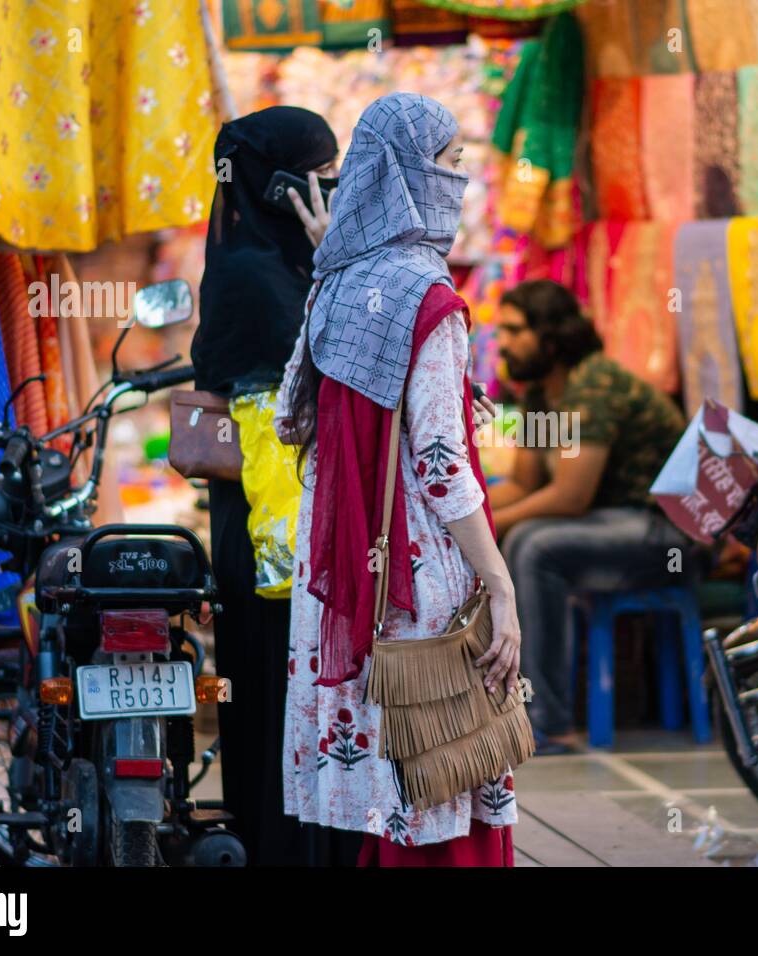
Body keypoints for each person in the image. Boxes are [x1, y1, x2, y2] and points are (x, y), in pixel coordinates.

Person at [277, 92, 521, 866]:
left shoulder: (334, 286)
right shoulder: (430, 298)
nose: (461, 181)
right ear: (410, 175)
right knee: (448, 786)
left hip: (348, 582)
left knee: (394, 801)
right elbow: (443, 465)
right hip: (423, 578)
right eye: (449, 164)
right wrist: (502, 586)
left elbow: (292, 420)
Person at [191, 106, 356, 865]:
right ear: (279, 183)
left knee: (286, 694)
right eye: (319, 175)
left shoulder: (264, 257)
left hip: (274, 520)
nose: (333, 187)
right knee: (283, 692)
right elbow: (324, 382)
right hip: (277, 531)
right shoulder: (264, 277)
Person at [489, 279, 693, 753]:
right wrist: (462, 515)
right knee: (519, 536)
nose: (502, 343)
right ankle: (514, 705)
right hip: (607, 523)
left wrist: (495, 525)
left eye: (515, 331)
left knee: (533, 544)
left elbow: (569, 497)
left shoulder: (593, 386)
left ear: (551, 336)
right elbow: (524, 485)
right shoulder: (543, 394)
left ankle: (549, 722)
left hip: (662, 531)